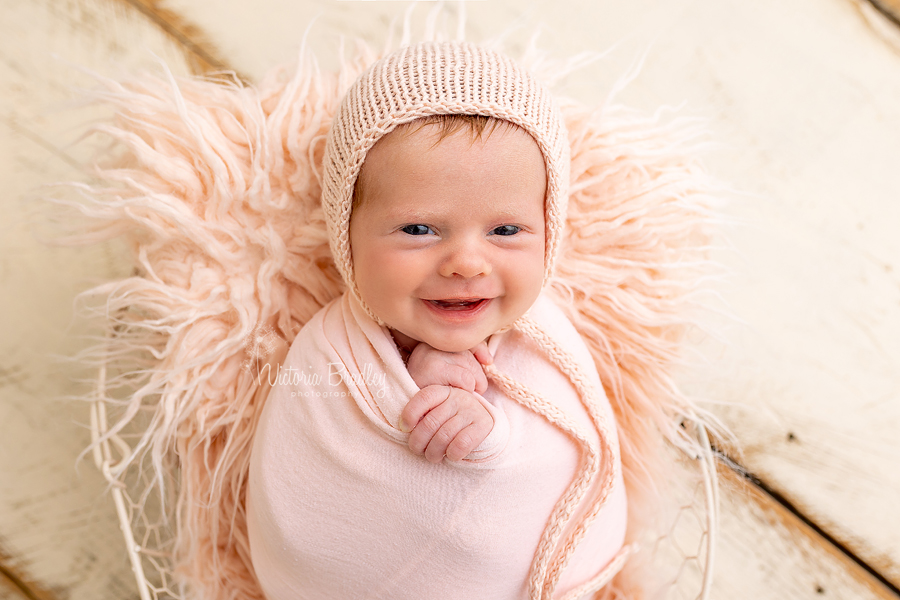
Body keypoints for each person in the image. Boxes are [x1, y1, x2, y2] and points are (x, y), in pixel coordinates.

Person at [246, 41, 629, 600]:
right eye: (419, 229)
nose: (467, 263)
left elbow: (551, 460)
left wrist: (486, 431)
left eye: (505, 231)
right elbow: (308, 514)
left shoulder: (544, 342)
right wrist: (418, 401)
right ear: (345, 235)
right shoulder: (325, 357)